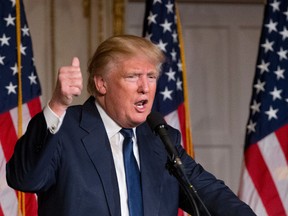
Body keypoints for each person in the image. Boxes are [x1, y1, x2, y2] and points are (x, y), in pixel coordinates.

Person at [6, 35, 256, 216]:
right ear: (102, 84)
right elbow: (25, 179)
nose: (145, 87)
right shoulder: (66, 129)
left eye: (151, 77)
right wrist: (58, 105)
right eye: (133, 76)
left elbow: (209, 194)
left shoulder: (160, 138)